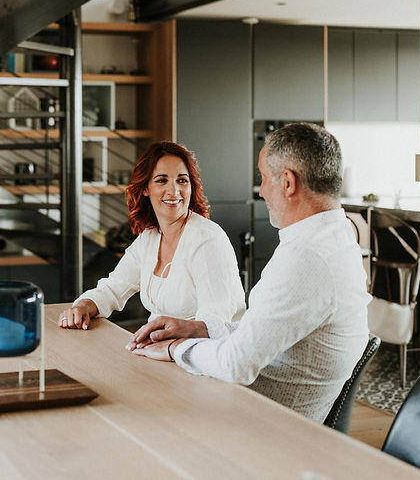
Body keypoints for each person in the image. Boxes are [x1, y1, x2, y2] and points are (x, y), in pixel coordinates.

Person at [128, 123, 370, 423]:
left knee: (133, 406)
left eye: (263, 178)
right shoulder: (335, 237)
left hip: (260, 425)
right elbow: (264, 330)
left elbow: (235, 364)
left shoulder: (306, 257)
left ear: (287, 182)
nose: (262, 190)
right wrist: (200, 329)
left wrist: (176, 348)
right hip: (253, 406)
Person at [59, 141, 245, 334]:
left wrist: (168, 347)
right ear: (145, 188)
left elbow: (215, 323)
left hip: (204, 355)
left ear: (191, 187)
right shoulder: (150, 237)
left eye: (182, 180)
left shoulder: (207, 239)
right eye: (161, 180)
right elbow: (113, 288)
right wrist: (83, 306)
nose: (174, 191)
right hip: (160, 350)